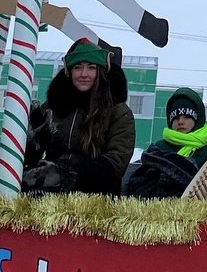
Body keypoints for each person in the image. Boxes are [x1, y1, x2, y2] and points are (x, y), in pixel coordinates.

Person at [22, 39, 136, 195]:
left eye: (91, 67)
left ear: (101, 71)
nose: (84, 74)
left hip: (95, 199)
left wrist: (66, 175)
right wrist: (30, 143)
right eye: (77, 67)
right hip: (47, 191)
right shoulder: (52, 107)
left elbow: (116, 163)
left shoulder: (118, 112)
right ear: (69, 72)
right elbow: (31, 158)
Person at [123, 87, 207, 198]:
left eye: (186, 117)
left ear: (197, 118)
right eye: (176, 118)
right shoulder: (159, 148)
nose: (180, 122)